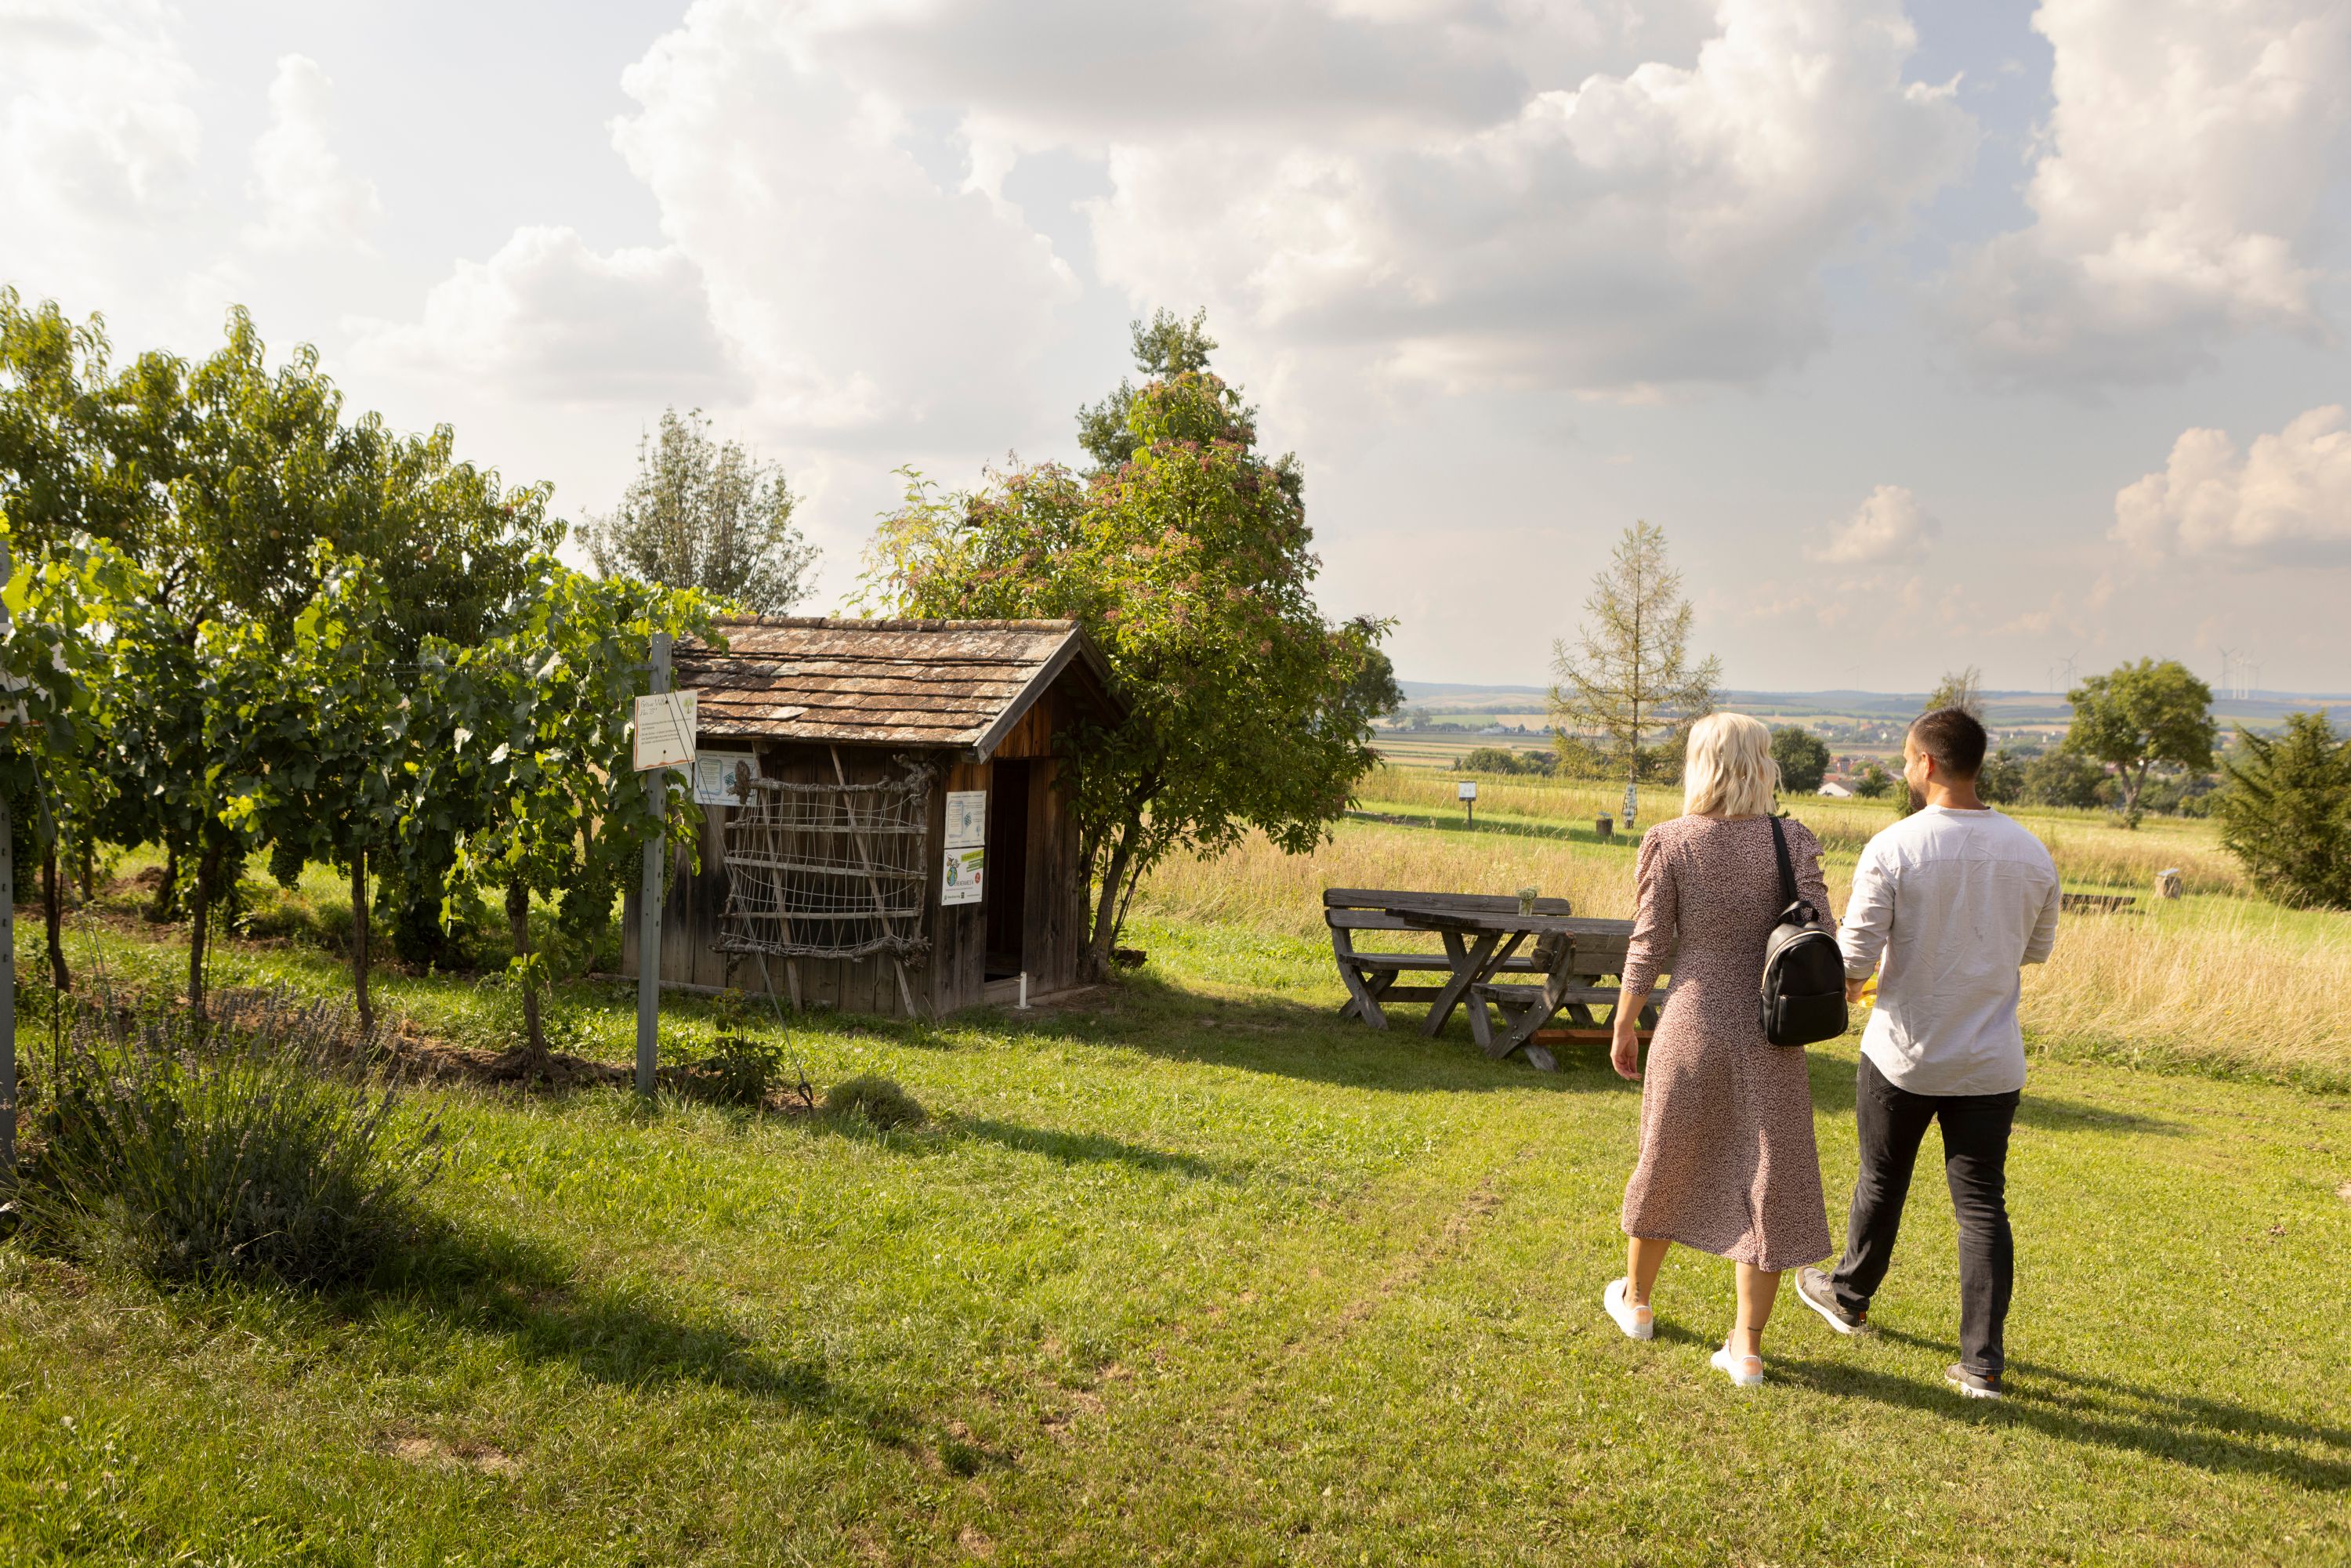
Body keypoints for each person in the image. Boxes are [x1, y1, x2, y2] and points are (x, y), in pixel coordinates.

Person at [1793, 707, 2060, 1400]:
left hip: (1905, 1052)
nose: (1906, 769)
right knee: (1981, 1205)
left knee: (1882, 1178)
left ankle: (1849, 1296)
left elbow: (1853, 957)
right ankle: (1982, 1363)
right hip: (1991, 1057)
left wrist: (1851, 983)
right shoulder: (2031, 852)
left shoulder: (1895, 846)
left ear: (1930, 764)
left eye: (1909, 758)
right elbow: (2036, 950)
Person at [1604, 712, 1835, 1388]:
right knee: (1770, 1173)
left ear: (1698, 764)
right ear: (1763, 765)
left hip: (1692, 1021)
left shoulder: (1669, 841)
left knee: (1666, 1153)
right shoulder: (1792, 839)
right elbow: (1823, 930)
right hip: (1772, 1027)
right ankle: (1747, 1348)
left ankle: (1639, 1303)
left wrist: (1624, 1022)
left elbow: (1648, 943)